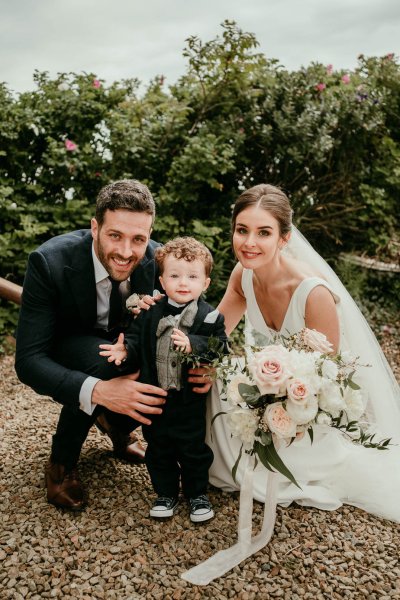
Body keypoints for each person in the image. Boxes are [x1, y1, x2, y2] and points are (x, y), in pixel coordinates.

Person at [206, 183, 400, 523]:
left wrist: (282, 409)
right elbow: (214, 334)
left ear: (284, 238)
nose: (249, 243)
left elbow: (327, 379)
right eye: (242, 230)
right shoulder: (243, 274)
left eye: (263, 232)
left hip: (307, 408)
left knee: (280, 470)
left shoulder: (312, 293)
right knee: (211, 382)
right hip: (265, 388)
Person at [15, 179, 172, 511]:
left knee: (160, 363)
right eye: (115, 235)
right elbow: (28, 360)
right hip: (67, 345)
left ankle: (117, 426)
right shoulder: (49, 262)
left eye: (138, 239)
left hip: (122, 347)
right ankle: (61, 464)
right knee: (109, 364)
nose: (126, 252)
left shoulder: (159, 262)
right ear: (95, 227)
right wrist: (100, 392)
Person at [99, 237, 229, 522]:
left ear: (206, 283)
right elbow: (135, 339)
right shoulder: (150, 312)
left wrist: (194, 343)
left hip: (189, 401)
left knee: (193, 449)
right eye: (174, 275)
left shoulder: (210, 318)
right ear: (162, 280)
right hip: (155, 398)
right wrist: (125, 349)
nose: (183, 282)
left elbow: (222, 346)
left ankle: (197, 494)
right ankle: (165, 493)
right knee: (158, 449)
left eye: (193, 276)